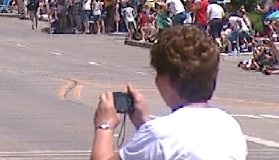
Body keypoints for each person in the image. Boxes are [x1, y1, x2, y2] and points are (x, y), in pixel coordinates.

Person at [90, 25, 246, 160]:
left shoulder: (159, 133)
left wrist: (104, 125)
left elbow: (163, 143)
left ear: (165, 80)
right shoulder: (229, 125)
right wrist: (143, 123)